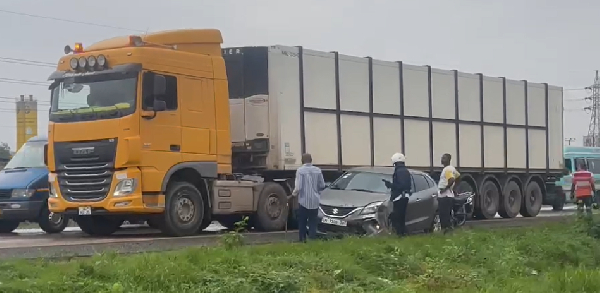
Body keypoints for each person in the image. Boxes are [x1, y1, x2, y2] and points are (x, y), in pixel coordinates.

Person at [292, 153, 326, 242]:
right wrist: (316, 192)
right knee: (313, 222)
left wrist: (293, 195)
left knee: (302, 222)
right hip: (315, 200)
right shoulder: (318, 170)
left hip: (303, 201)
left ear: (302, 160)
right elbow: (322, 185)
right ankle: (312, 239)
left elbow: (298, 187)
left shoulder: (300, 171)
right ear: (311, 160)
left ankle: (302, 240)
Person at [382, 153, 412, 236]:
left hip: (400, 197)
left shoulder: (400, 171)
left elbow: (401, 185)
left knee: (397, 217)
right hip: (404, 196)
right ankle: (402, 234)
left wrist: (390, 185)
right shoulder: (405, 171)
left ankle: (400, 234)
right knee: (401, 217)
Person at [438, 153, 460, 234]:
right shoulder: (452, 169)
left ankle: (446, 232)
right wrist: (454, 188)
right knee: (448, 214)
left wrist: (445, 188)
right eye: (442, 158)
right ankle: (449, 231)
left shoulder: (447, 169)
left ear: (448, 160)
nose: (442, 159)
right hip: (449, 195)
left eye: (444, 158)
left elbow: (451, 179)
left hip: (445, 196)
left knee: (444, 215)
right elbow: (458, 177)